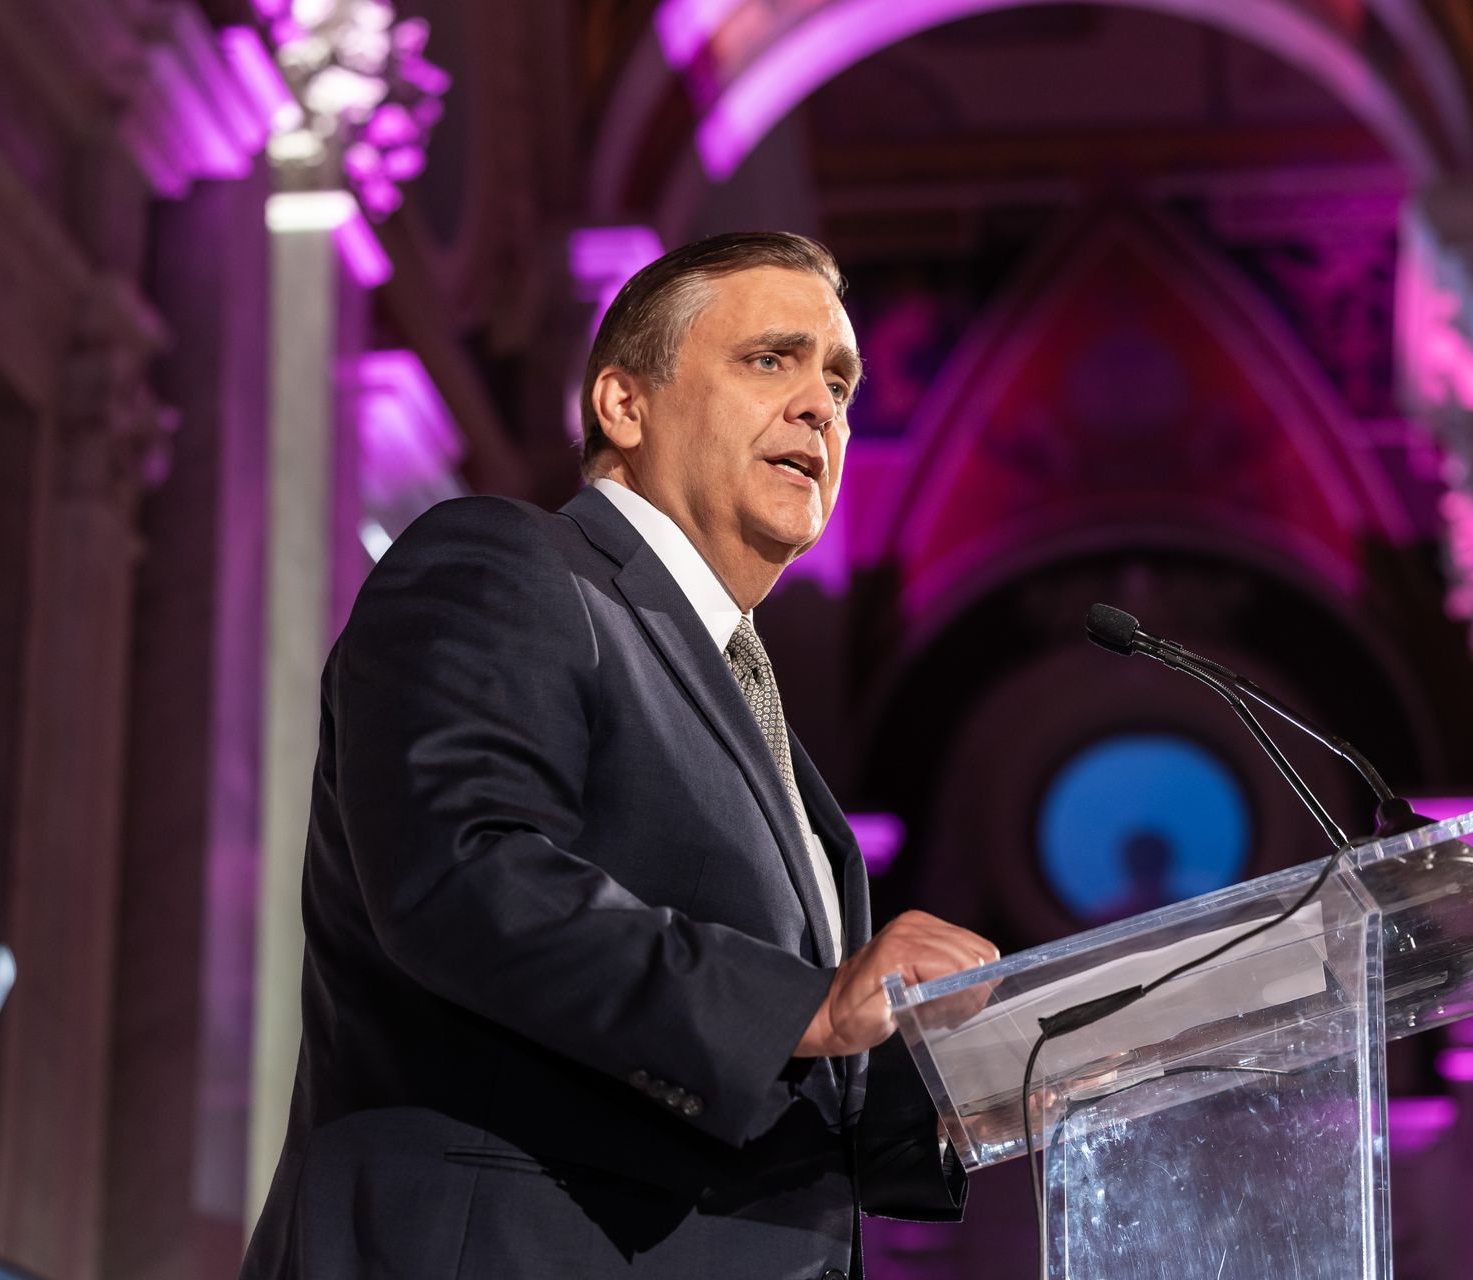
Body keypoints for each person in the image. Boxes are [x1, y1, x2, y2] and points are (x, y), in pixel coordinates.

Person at [241, 231, 999, 1279]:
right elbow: (464, 874)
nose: (821, 407)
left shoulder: (749, 704)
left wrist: (972, 1077)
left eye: (839, 381)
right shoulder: (503, 566)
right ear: (623, 404)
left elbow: (767, 1071)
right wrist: (806, 1005)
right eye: (770, 360)